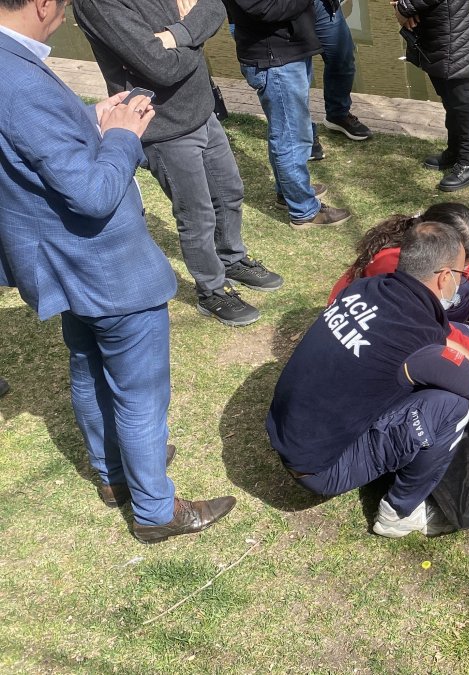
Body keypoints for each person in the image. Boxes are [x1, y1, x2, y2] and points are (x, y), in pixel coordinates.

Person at [0, 0, 235, 543]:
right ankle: (154, 510)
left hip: (59, 263)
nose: (67, 12)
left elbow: (26, 140)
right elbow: (93, 194)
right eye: (62, 3)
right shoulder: (22, 81)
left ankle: (112, 473)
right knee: (140, 394)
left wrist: (90, 117)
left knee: (87, 365)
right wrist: (123, 135)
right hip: (105, 266)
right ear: (41, 4)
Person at [268, 220, 469, 537]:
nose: (462, 282)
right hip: (321, 469)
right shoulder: (417, 345)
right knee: (450, 406)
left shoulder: (368, 288)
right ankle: (399, 513)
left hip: (288, 432)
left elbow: (448, 343)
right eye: (461, 274)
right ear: (445, 277)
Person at [74, 0, 286, 328]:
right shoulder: (99, 4)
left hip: (201, 109)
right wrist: (195, 34)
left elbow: (215, 7)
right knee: (197, 215)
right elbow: (160, 67)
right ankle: (212, 292)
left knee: (229, 192)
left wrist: (176, 36)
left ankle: (231, 259)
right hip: (163, 125)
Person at [328, 203, 469, 375]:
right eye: (464, 264)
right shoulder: (396, 267)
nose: (468, 268)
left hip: (403, 313)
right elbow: (438, 334)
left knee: (464, 294)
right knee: (460, 344)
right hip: (372, 336)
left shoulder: (428, 246)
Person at [221, 0, 351, 227]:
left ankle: (288, 192)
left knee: (286, 131)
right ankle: (304, 210)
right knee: (291, 138)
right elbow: (265, 9)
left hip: (288, 51)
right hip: (275, 60)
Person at [392, 0, 469, 192]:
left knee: (461, 98)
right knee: (449, 97)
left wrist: (404, 7)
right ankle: (455, 150)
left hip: (455, 28)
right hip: (439, 27)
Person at [311, 0, 372, 142]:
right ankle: (297, 131)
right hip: (284, 9)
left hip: (322, 4)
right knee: (293, 69)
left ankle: (338, 114)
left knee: (342, 57)